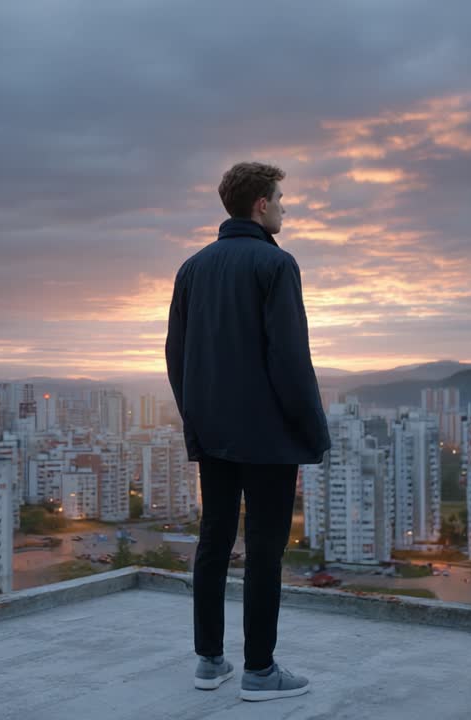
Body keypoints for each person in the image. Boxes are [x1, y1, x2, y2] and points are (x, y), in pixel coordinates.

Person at [165, 161, 331, 702]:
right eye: (281, 198)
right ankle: (260, 670)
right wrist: (312, 429)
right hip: (268, 437)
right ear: (261, 204)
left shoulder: (192, 268)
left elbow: (175, 354)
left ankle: (209, 663)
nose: (286, 206)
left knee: (214, 539)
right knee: (264, 549)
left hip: (212, 432)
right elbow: (289, 358)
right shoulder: (275, 265)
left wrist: (196, 413)